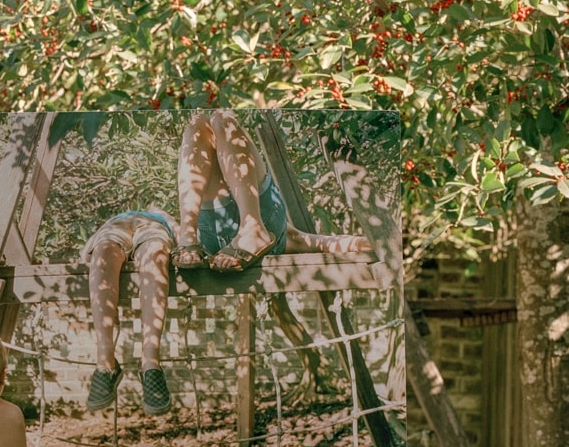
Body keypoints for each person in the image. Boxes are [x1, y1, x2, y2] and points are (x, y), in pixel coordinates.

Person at [173, 109, 373, 272]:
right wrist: (373, 243)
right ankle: (249, 226)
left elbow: (325, 243)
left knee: (201, 122)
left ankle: (189, 234)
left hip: (208, 236)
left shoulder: (286, 237)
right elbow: (325, 243)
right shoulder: (284, 237)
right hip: (244, 224)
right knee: (217, 119)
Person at [81, 207, 177, 415]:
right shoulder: (116, 218)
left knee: (155, 252)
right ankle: (105, 362)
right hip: (116, 227)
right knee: (104, 250)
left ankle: (151, 364)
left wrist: (183, 243)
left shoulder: (160, 216)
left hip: (153, 227)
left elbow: (178, 231)